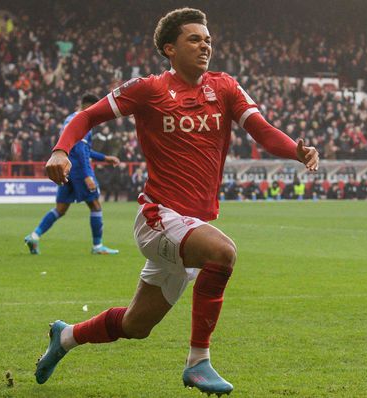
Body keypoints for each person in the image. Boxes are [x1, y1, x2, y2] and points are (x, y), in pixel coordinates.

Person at [35, 8, 319, 396]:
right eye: (195, 39)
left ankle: (65, 336)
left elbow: (262, 131)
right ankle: (198, 362)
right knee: (223, 253)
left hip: (187, 225)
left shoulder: (225, 87)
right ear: (169, 48)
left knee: (136, 326)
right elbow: (86, 118)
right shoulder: (147, 89)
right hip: (158, 216)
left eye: (208, 40)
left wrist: (296, 151)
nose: (205, 45)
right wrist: (61, 150)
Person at [24, 94, 121, 255]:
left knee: (60, 209)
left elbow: (80, 148)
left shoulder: (69, 119)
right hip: (78, 171)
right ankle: (98, 246)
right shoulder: (84, 120)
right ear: (89, 106)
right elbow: (80, 150)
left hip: (65, 168)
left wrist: (104, 158)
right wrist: (87, 175)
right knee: (95, 205)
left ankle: (34, 236)